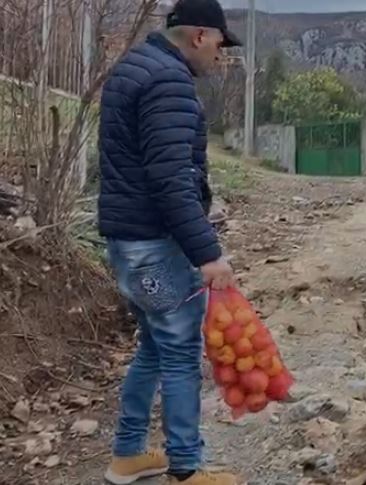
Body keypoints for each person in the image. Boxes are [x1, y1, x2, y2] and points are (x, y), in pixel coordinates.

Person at [97, 0, 240, 483]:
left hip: (128, 243)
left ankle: (128, 454)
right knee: (180, 351)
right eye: (220, 42)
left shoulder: (135, 67)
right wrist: (208, 254)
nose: (221, 54)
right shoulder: (168, 80)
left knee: (156, 349)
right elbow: (171, 179)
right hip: (153, 247)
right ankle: (186, 468)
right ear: (200, 35)